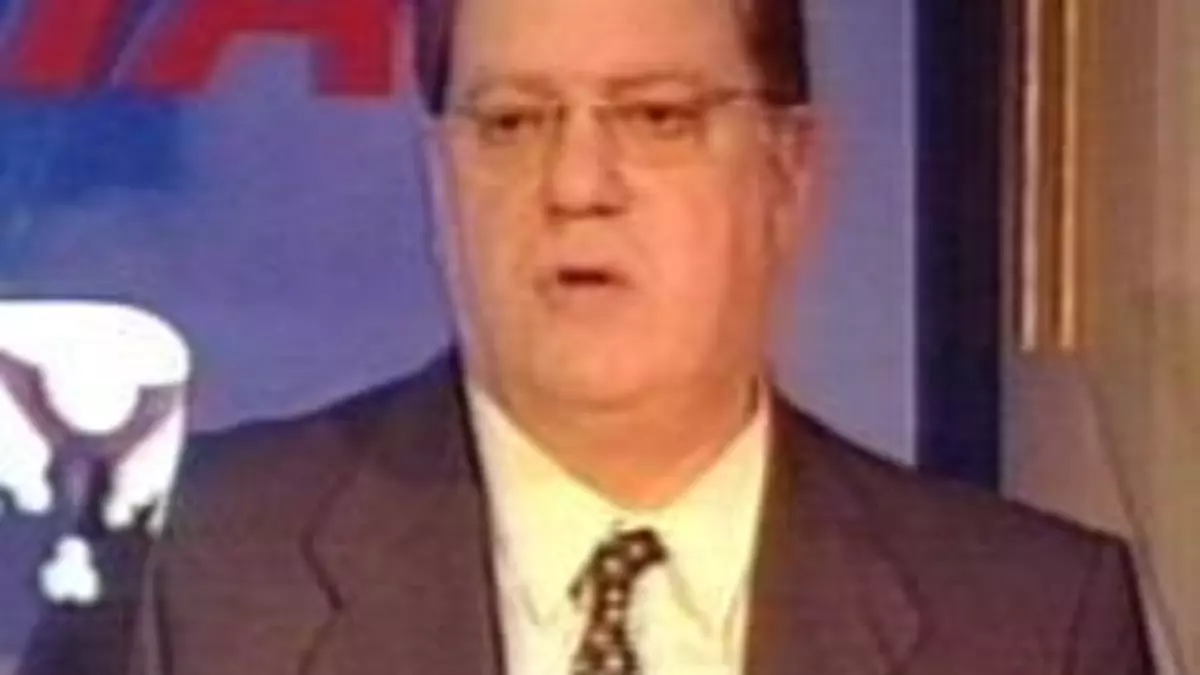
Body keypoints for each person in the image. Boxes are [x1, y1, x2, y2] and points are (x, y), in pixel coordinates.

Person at [97, 0, 1154, 673]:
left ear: (788, 172)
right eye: (513, 122)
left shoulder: (1027, 622)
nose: (575, 185)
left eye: (656, 117)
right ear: (440, 175)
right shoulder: (194, 568)